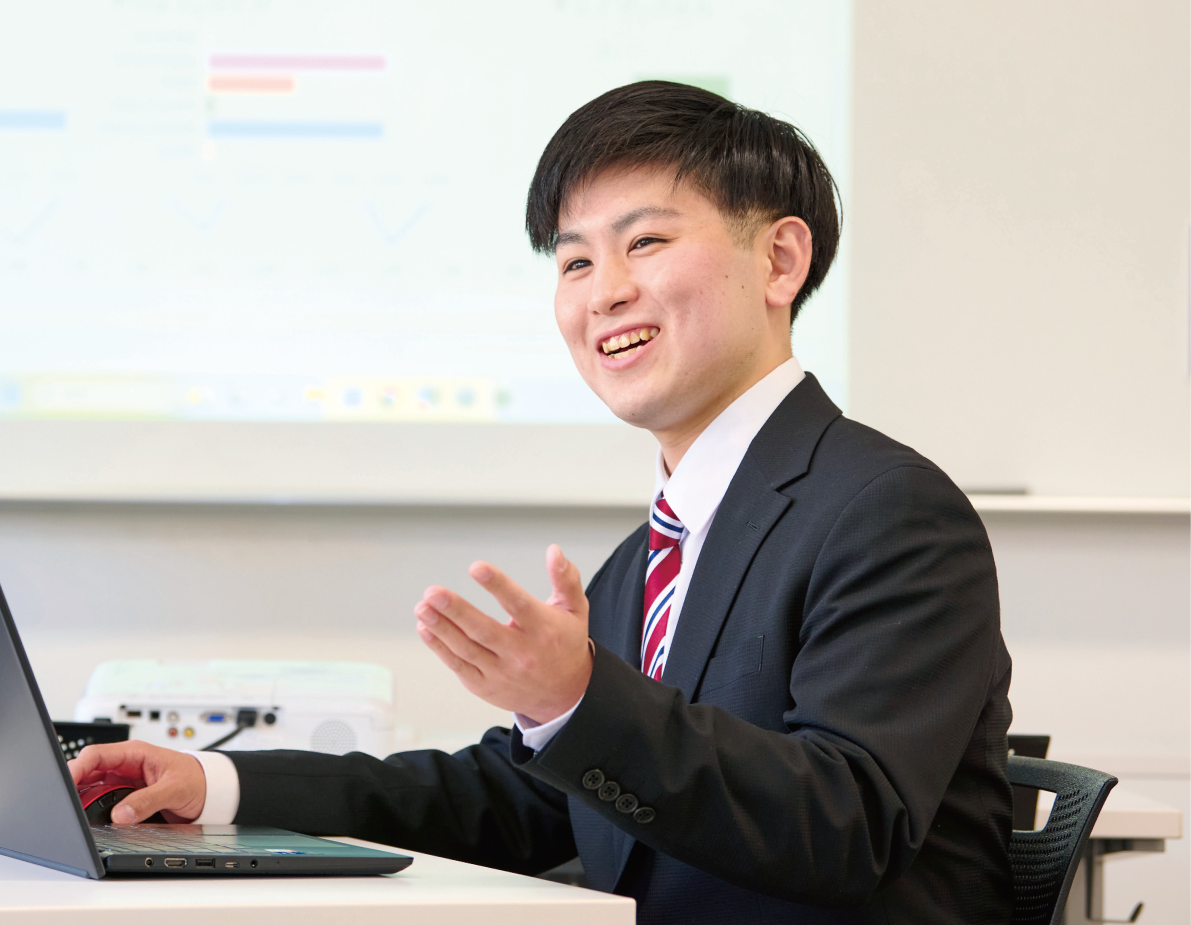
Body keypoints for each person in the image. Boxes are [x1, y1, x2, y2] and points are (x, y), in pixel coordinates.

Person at [70, 81, 1014, 924]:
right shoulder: (652, 553)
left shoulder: (888, 512)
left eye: (645, 242)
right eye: (573, 263)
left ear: (779, 261)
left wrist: (578, 699)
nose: (604, 293)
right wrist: (217, 784)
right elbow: (523, 796)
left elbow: (848, 824)